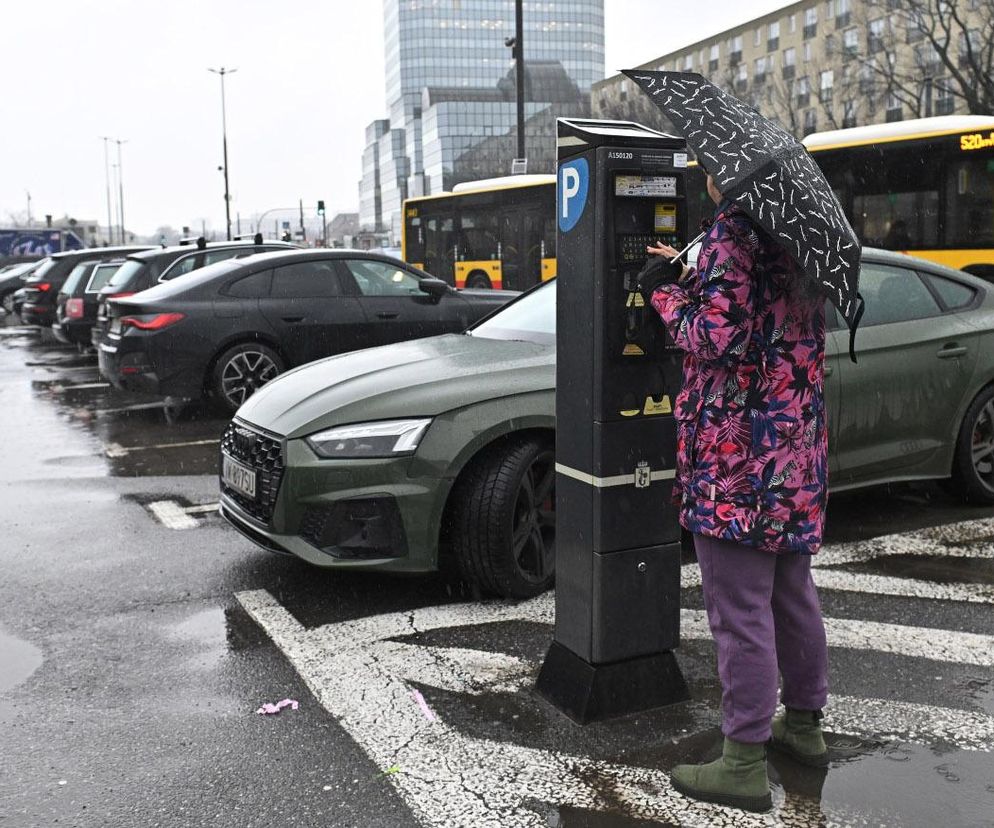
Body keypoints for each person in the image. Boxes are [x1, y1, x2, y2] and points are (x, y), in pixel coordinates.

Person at [640, 172, 830, 813]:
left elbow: (718, 338)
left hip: (735, 462)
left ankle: (742, 762)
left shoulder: (732, 236)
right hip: (792, 456)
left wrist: (666, 297)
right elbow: (759, 320)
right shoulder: (797, 241)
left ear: (729, 174)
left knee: (739, 612)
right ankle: (803, 729)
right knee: (792, 596)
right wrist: (692, 274)